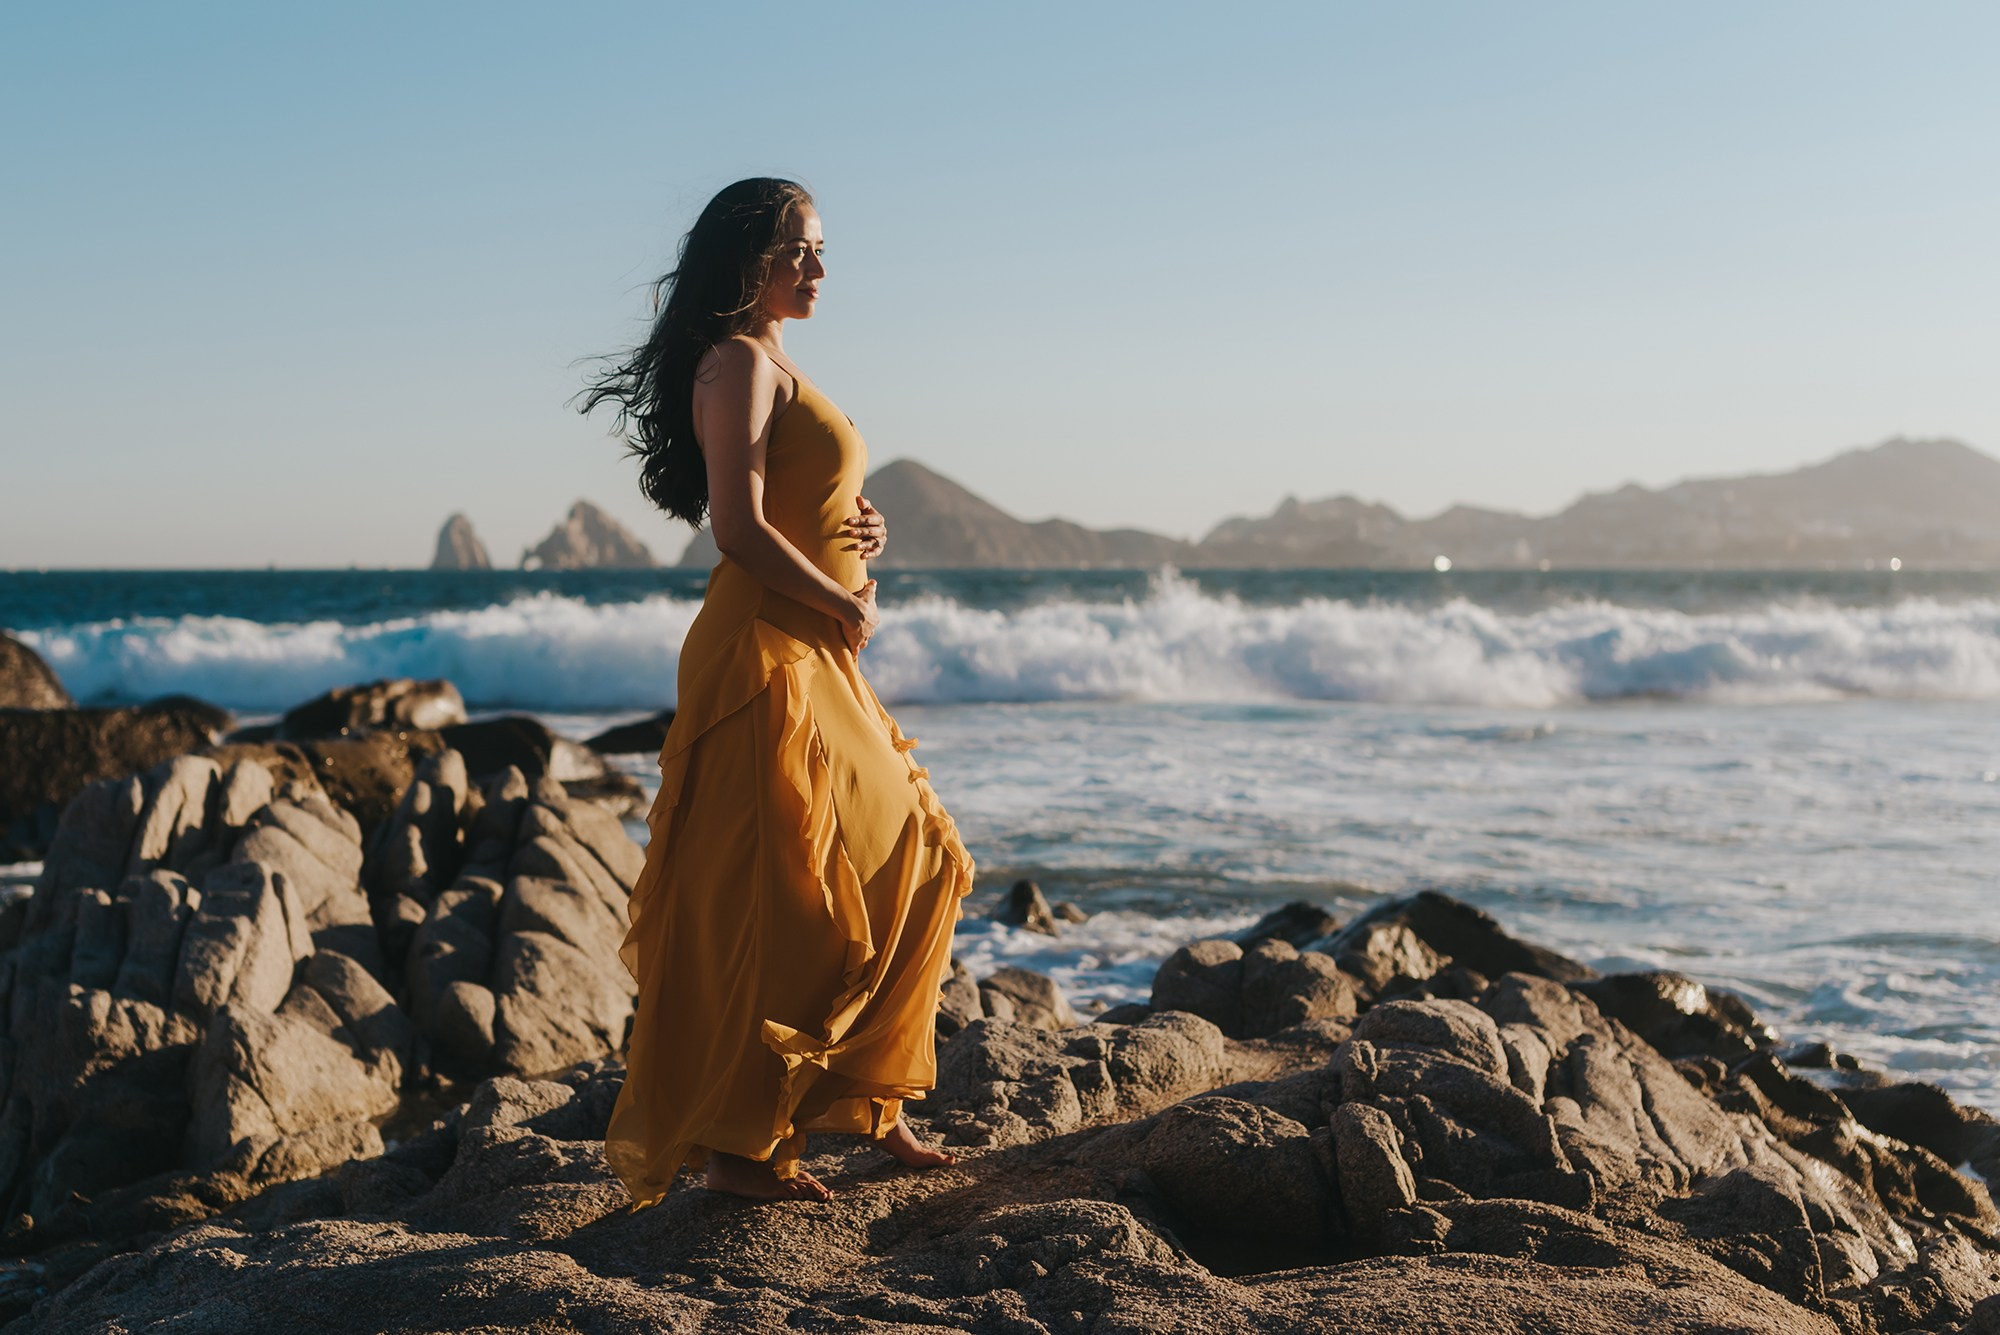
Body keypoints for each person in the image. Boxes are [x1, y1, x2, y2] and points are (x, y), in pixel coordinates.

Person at [581, 178, 973, 1203]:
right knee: (773, 894)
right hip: (762, 650)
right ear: (744, 259)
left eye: (819, 248)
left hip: (807, 644)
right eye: (796, 249)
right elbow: (739, 530)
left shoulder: (775, 362)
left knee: (915, 857)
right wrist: (841, 606)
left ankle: (867, 1097)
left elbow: (800, 497)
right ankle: (738, 1151)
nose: (816, 267)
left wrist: (860, 522)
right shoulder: (736, 364)